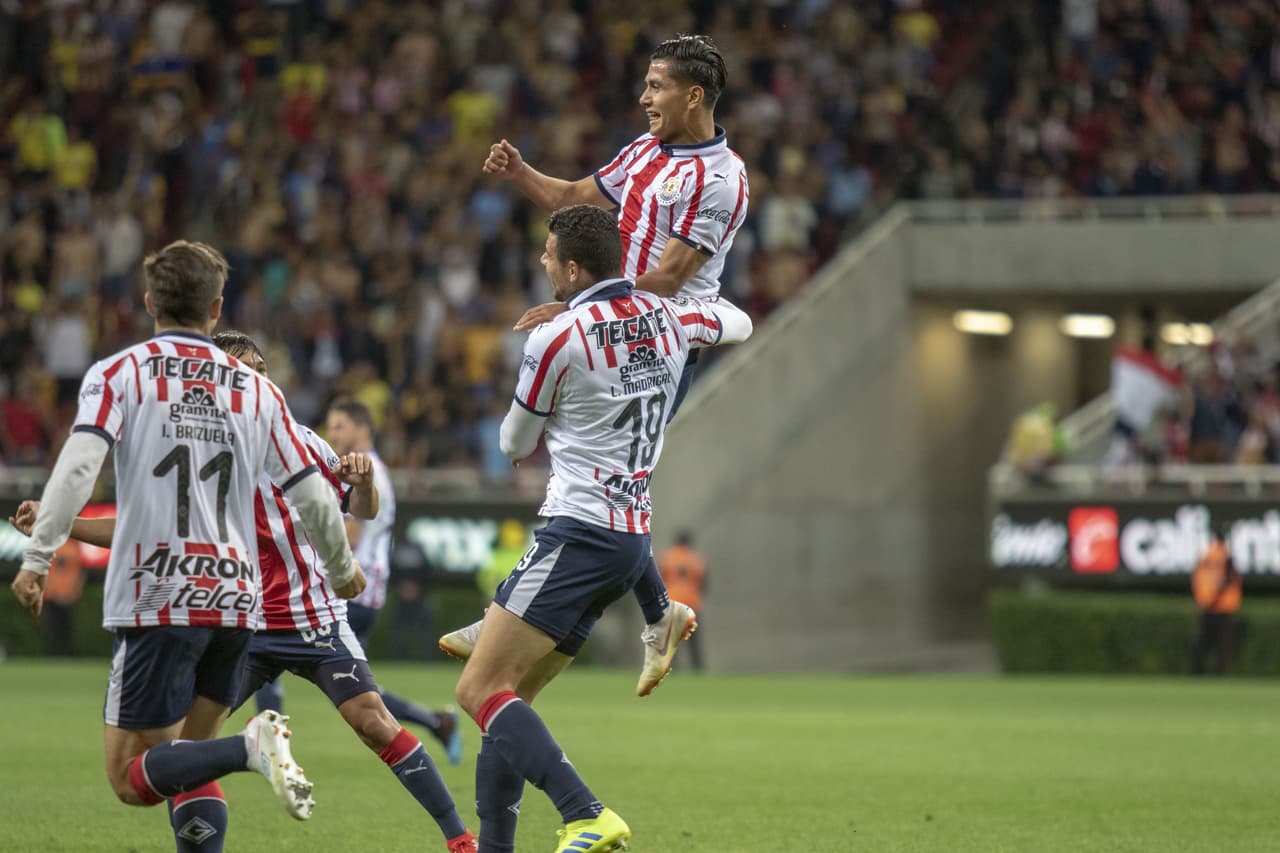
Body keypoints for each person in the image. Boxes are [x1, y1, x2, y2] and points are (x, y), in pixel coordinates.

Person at [12, 330, 477, 853]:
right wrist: (64, 523)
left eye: (261, 366)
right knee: (184, 749)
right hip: (243, 621)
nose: (257, 376)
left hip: (313, 615)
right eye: (244, 367)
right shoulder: (195, 445)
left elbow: (357, 509)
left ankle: (460, 839)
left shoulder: (297, 437)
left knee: (372, 721)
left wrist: (364, 484)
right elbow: (142, 526)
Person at [8, 240, 364, 853]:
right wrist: (342, 569)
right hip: (235, 599)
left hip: (160, 594)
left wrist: (38, 557)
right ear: (217, 308)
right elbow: (311, 493)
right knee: (186, 762)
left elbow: (75, 472)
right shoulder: (258, 392)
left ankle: (249, 747)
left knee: (128, 776)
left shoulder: (120, 374)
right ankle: (233, 755)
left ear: (148, 301)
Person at [451, 34, 748, 696]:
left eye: (656, 85)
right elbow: (576, 198)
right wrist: (521, 171)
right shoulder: (645, 150)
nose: (643, 97)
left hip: (657, 341)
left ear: (692, 95)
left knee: (604, 478)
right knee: (602, 476)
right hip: (612, 324)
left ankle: (523, 608)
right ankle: (649, 612)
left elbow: (671, 277)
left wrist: (581, 308)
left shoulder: (721, 178)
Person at [454, 205, 752, 852]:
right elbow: (739, 321)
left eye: (547, 253)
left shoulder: (557, 336)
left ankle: (586, 811)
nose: (541, 261)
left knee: (477, 687)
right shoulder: (670, 316)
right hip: (627, 539)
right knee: (508, 705)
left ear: (573, 268)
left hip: (577, 531)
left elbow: (513, 441)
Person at [326, 397, 463, 757]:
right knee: (351, 688)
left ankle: (256, 734)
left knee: (346, 689)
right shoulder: (371, 471)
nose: (332, 433)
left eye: (340, 426)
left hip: (351, 592)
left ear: (362, 428)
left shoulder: (368, 474)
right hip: (360, 592)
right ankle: (435, 723)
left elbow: (351, 537)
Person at [1191, 524, 1242, 676]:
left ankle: (1197, 672)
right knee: (1222, 646)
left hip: (1208, 605)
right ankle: (1219, 673)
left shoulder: (1205, 556)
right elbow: (1228, 579)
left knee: (1204, 643)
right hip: (1223, 606)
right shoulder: (1226, 557)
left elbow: (1197, 578)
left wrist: (1203, 599)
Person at [657, 530, 707, 672]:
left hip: (673, 602)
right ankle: (697, 670)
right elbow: (704, 582)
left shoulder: (668, 557)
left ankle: (671, 669)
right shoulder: (696, 558)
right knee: (694, 642)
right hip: (691, 603)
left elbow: (659, 579)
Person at [42, 540, 85, 656]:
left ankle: (67, 654)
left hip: (68, 595)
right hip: (52, 595)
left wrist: (76, 590)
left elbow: (80, 572)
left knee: (67, 629)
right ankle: (53, 653)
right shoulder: (51, 546)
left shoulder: (72, 547)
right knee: (52, 628)